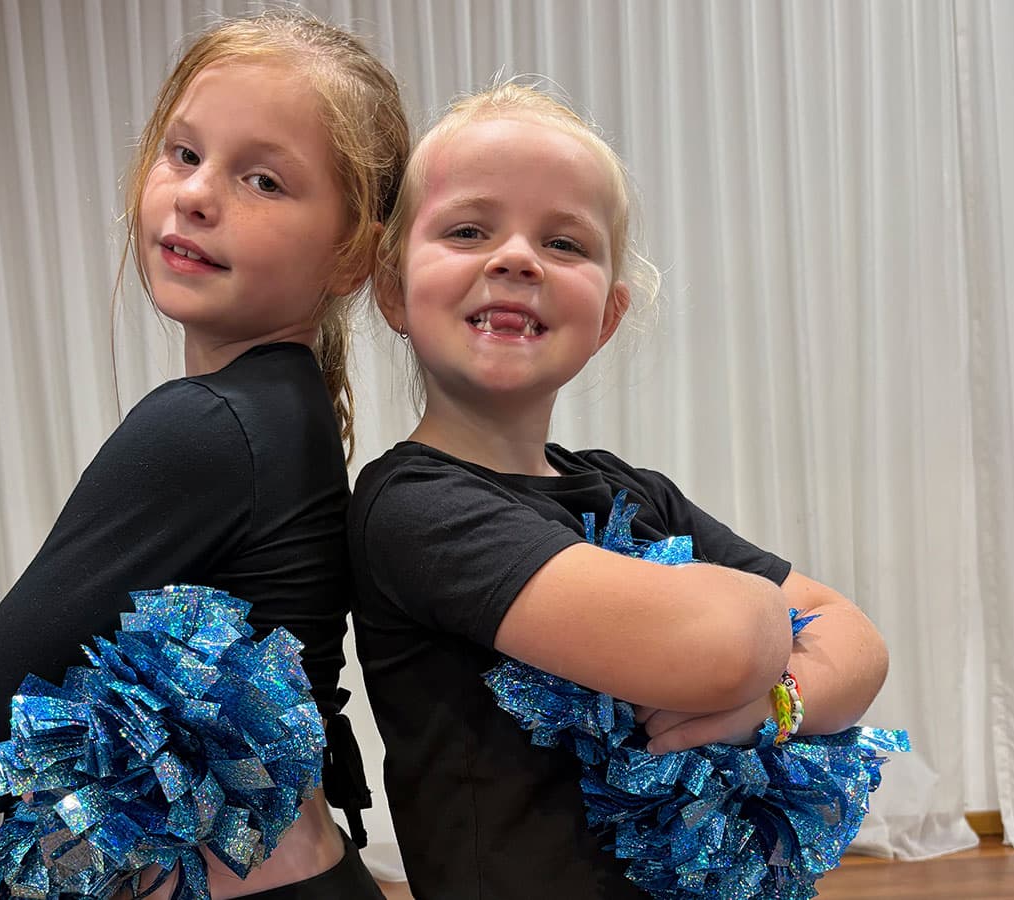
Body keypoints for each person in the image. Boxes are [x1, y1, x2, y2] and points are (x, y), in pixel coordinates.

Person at [348, 83, 889, 899]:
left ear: (606, 317)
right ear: (392, 289)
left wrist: (767, 707)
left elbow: (857, 641)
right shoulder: (413, 506)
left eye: (564, 244)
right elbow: (726, 644)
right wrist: (757, 640)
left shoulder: (633, 491)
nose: (517, 258)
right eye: (468, 230)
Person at [0, 10, 409, 898]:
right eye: (184, 154)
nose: (196, 194)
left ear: (352, 253)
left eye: (262, 179)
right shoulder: (285, 407)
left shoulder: (207, 425)